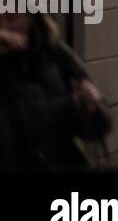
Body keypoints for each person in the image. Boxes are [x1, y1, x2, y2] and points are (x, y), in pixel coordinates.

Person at [0, 11, 110, 171]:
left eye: (12, 18)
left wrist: (91, 109)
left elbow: (97, 127)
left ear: (31, 18)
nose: (4, 29)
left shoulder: (52, 54)